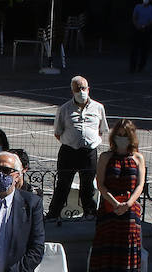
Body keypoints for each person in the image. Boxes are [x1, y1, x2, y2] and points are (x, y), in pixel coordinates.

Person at [88, 120, 147, 272]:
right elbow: (101, 183)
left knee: (127, 249)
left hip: (130, 207)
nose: (122, 138)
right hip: (109, 205)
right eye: (119, 135)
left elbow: (140, 185)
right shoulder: (106, 157)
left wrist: (129, 203)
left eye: (125, 135)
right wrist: (113, 202)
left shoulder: (138, 158)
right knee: (106, 247)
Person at [49, 75, 109, 222]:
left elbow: (101, 129)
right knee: (63, 183)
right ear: (72, 91)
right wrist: (72, 140)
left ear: (88, 89)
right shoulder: (64, 109)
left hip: (89, 153)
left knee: (88, 184)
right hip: (69, 152)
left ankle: (90, 212)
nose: (81, 91)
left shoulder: (98, 107)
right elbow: (58, 132)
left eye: (83, 88)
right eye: (77, 88)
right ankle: (53, 214)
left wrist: (89, 141)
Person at [129, 0, 152, 73]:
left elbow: (151, 20)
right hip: (137, 30)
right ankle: (132, 67)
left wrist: (144, 26)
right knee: (134, 49)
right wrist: (137, 26)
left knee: (144, 50)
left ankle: (141, 67)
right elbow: (134, 17)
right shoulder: (138, 6)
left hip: (146, 30)